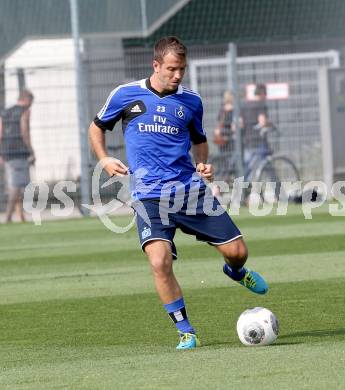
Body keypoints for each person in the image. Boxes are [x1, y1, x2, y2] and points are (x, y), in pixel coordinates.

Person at [88, 36, 268, 350]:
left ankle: (236, 271)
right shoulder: (125, 94)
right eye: (171, 69)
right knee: (159, 261)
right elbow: (96, 127)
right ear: (155, 65)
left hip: (190, 191)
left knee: (238, 252)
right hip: (149, 197)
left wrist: (203, 164)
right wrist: (103, 158)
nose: (177, 75)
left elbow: (199, 139)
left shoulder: (191, 101)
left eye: (181, 69)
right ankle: (186, 330)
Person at [0, 89, 35, 223]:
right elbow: (25, 132)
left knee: (16, 184)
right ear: (26, 99)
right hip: (19, 152)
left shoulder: (4, 112)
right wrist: (31, 151)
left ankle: (20, 216)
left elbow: (0, 133)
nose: (31, 105)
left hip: (7, 152)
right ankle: (8, 217)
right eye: (31, 102)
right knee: (16, 186)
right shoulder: (24, 112)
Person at [241, 83, 273, 181]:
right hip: (259, 141)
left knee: (248, 169)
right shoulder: (261, 105)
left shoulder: (245, 105)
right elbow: (262, 122)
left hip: (248, 140)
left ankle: (243, 194)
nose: (266, 96)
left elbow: (241, 123)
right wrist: (270, 124)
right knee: (268, 166)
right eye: (265, 94)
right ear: (262, 93)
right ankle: (279, 192)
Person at [213, 90, 237, 184]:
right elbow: (234, 126)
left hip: (222, 139)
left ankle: (224, 178)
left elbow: (218, 123)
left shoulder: (222, 109)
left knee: (225, 161)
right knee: (233, 161)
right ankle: (226, 178)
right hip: (230, 138)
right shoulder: (233, 110)